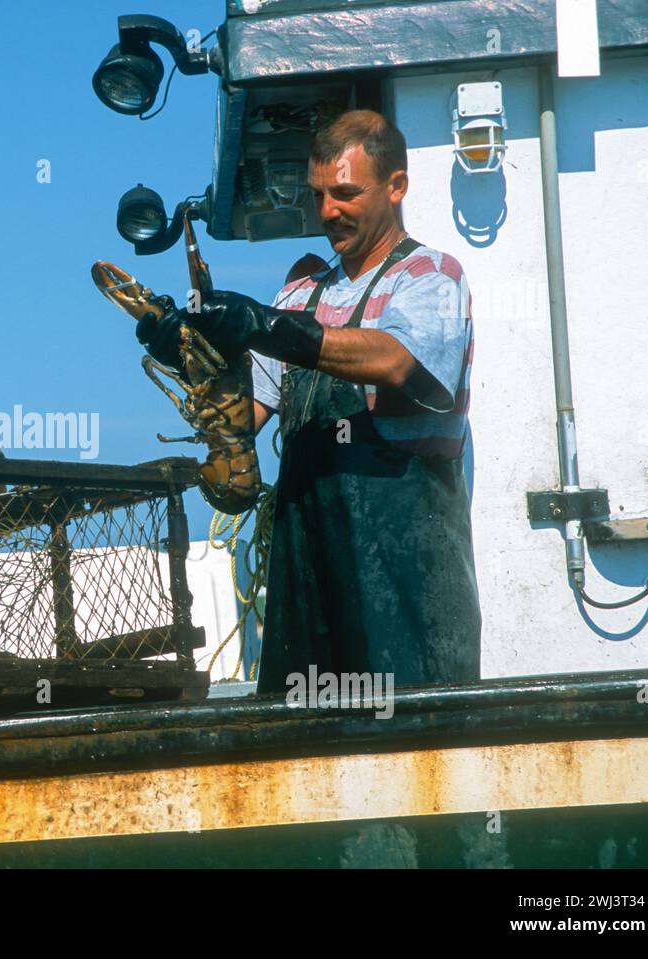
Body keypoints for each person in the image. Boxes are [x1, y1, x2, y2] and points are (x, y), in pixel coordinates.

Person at [140, 110, 481, 692]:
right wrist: (192, 358)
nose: (327, 212)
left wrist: (271, 327)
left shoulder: (430, 277)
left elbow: (396, 360)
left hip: (407, 575)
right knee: (306, 739)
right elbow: (244, 416)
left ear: (396, 186)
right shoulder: (301, 290)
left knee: (413, 741)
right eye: (319, 194)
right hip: (307, 567)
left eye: (346, 193)